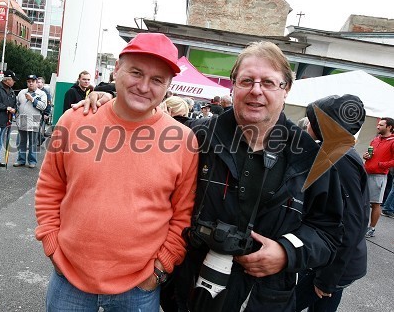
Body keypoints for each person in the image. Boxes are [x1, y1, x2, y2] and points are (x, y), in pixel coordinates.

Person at [77, 41, 343, 312]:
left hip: (263, 299)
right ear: (233, 85)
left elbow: (329, 232)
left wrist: (287, 252)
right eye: (247, 80)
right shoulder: (196, 136)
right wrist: (110, 100)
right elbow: (144, 144)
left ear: (286, 89)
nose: (256, 91)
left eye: (268, 83)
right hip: (189, 291)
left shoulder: (310, 158)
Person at [35, 32, 199, 311]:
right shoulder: (75, 120)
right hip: (69, 279)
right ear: (116, 70)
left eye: (157, 80)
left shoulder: (183, 140)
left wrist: (159, 270)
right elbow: (50, 188)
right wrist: (52, 246)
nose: (144, 86)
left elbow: (183, 216)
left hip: (139, 288)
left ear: (168, 86)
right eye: (136, 72)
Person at [295, 94, 369, 312]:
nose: (308, 123)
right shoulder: (337, 152)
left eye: (312, 119)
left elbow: (353, 222)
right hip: (332, 261)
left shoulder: (340, 157)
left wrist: (328, 278)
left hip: (333, 265)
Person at [362, 117, 394, 237]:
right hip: (366, 173)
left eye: (381, 125)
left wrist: (381, 165)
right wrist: (366, 156)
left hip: (379, 176)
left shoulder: (392, 141)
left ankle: (372, 228)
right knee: (362, 201)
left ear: (389, 127)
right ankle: (361, 225)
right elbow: (371, 155)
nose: (377, 127)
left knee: (375, 203)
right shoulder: (375, 140)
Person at [13, 75, 47, 169]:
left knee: (32, 142)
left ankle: (32, 161)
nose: (30, 83)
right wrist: (16, 114)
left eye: (33, 81)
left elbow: (43, 106)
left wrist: (32, 99)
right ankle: (21, 160)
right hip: (23, 118)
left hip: (35, 118)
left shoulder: (41, 94)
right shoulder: (22, 92)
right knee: (22, 142)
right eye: (28, 81)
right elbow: (17, 104)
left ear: (36, 82)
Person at [37, 76, 52, 146]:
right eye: (37, 82)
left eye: (39, 82)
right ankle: (40, 138)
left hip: (43, 113)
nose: (38, 84)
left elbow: (49, 103)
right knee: (35, 128)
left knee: (38, 128)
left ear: (43, 83)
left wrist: (46, 113)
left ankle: (40, 138)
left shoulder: (46, 92)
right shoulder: (35, 91)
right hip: (36, 112)